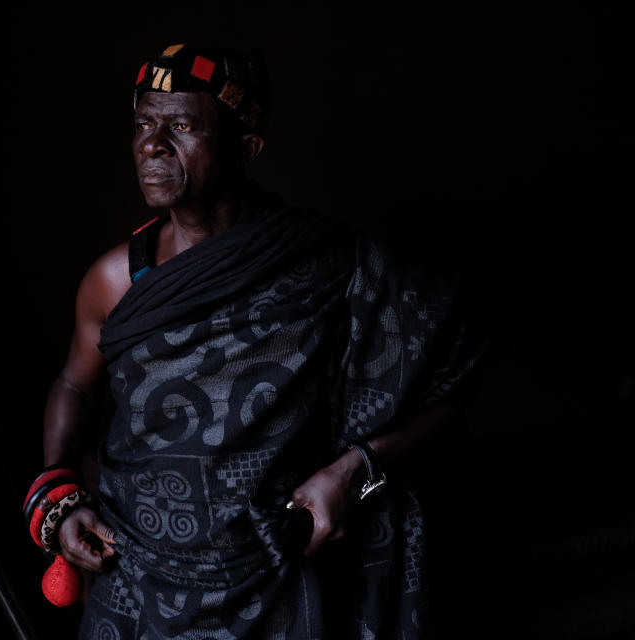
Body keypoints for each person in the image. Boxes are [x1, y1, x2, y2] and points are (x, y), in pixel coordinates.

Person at [35, 44, 487, 639]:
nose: (152, 143)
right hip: (136, 582)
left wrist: (355, 471)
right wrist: (59, 494)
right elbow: (73, 382)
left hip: (277, 582)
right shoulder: (115, 280)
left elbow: (459, 367)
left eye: (183, 125)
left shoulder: (325, 265)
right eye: (144, 123)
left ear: (245, 147)